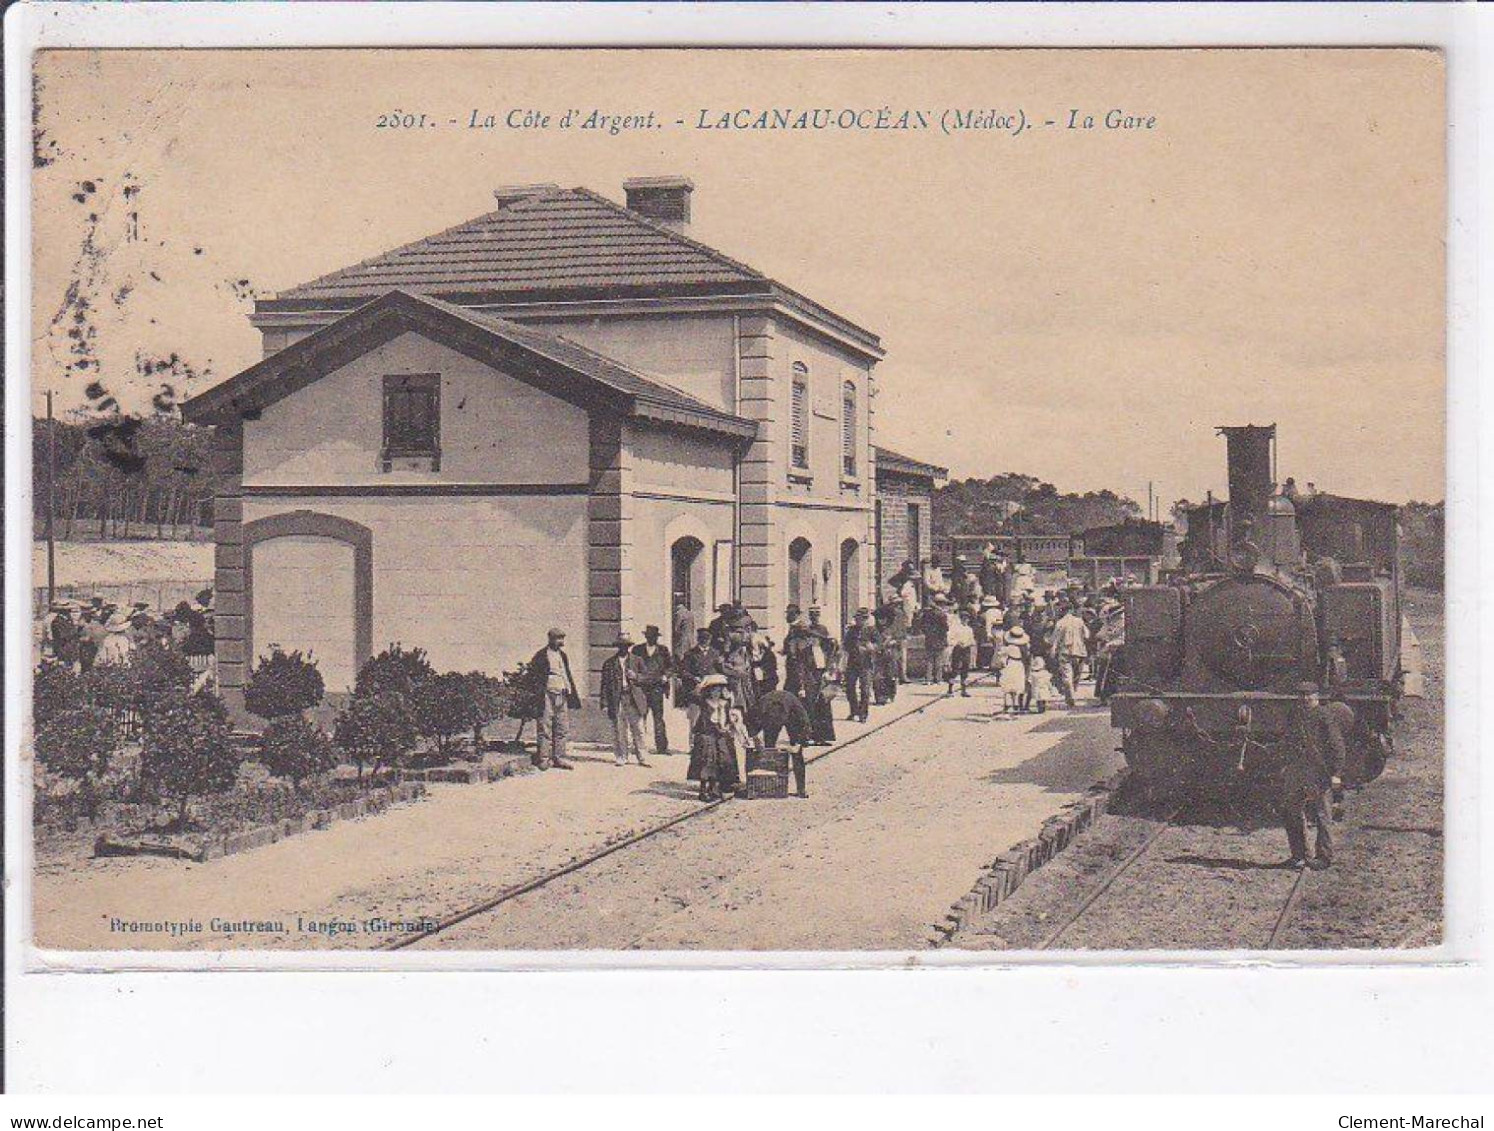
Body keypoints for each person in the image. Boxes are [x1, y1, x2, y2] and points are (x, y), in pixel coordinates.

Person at [1280, 692, 1336, 870]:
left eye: (1309, 697)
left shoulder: (1324, 715)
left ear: (1317, 698)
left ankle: (1324, 857)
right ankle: (1299, 855)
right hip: (1296, 769)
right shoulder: (1293, 716)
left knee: (1322, 813)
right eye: (1302, 697)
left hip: (1318, 770)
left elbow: (1336, 745)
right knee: (1291, 809)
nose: (1305, 700)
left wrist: (1336, 773)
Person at [522, 628, 581, 770]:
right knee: (545, 726)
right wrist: (538, 694)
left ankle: (559, 758)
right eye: (557, 638)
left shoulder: (563, 655)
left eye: (562, 638)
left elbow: (566, 674)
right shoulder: (541, 656)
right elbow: (533, 677)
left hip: (562, 694)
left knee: (562, 727)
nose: (560, 641)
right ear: (550, 639)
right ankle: (543, 758)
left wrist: (570, 691)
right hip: (546, 695)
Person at [687, 674, 741, 801]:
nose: (716, 693)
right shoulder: (704, 703)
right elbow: (691, 696)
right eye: (713, 689)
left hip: (721, 736)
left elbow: (727, 719)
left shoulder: (726, 703)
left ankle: (713, 788)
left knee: (721, 761)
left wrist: (729, 725)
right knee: (706, 762)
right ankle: (703, 790)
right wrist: (701, 686)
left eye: (719, 689)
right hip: (707, 735)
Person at [601, 632, 650, 767]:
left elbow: (647, 678)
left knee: (638, 729)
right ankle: (622, 756)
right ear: (618, 646)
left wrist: (636, 677)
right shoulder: (609, 663)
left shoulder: (637, 660)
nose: (624, 648)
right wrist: (604, 703)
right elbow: (604, 685)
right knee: (620, 729)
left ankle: (643, 757)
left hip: (634, 698)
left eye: (626, 645)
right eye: (621, 645)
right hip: (617, 699)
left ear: (629, 646)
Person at [753, 687, 811, 798]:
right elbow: (749, 721)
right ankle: (770, 786)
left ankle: (801, 789)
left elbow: (806, 725)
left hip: (792, 718)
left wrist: (799, 744)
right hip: (769, 717)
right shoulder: (761, 707)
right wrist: (755, 738)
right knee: (769, 749)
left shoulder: (795, 708)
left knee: (797, 753)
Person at [630, 625, 673, 758]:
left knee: (658, 717)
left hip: (656, 688)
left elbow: (670, 666)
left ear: (656, 637)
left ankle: (662, 747)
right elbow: (632, 665)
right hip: (641, 688)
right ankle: (638, 746)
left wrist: (666, 675)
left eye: (654, 637)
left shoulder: (663, 650)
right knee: (640, 717)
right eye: (649, 636)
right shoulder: (637, 650)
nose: (651, 639)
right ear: (646, 637)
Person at [677, 628, 721, 731]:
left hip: (712, 692)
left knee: (712, 719)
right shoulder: (690, 654)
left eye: (708, 639)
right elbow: (683, 671)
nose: (706, 641)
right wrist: (693, 678)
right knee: (695, 719)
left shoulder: (715, 653)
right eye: (703, 639)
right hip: (695, 691)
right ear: (699, 639)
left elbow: (721, 670)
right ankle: (693, 745)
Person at [842, 608, 879, 723]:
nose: (859, 621)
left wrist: (872, 647)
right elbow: (845, 646)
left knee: (865, 689)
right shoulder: (851, 631)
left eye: (862, 619)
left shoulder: (872, 631)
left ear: (866, 619)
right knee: (850, 688)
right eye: (857, 619)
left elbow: (879, 644)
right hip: (852, 662)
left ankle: (863, 713)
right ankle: (854, 711)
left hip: (866, 663)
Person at [1050, 603, 1090, 707]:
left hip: (1065, 651)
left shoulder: (1060, 623)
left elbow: (1055, 639)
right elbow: (1087, 635)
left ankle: (1070, 696)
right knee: (1076, 674)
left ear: (1062, 611)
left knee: (1067, 675)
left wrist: (1053, 650)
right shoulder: (1079, 621)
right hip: (1079, 651)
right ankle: (1072, 692)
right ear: (1071, 610)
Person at [919, 598, 950, 685]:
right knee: (938, 660)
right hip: (940, 638)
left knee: (929, 660)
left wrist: (927, 633)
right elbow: (945, 628)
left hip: (929, 638)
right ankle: (938, 678)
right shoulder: (942, 614)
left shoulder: (926, 614)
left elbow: (922, 625)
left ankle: (928, 679)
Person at [946, 608, 976, 697]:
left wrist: (969, 643)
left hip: (966, 649)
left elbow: (972, 640)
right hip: (958, 649)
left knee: (965, 669)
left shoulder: (969, 629)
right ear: (961, 618)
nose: (966, 620)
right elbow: (950, 638)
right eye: (964, 618)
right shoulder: (955, 628)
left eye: (967, 618)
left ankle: (964, 690)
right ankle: (950, 689)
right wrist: (957, 643)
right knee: (955, 669)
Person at [999, 643, 1028, 714]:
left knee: (1008, 688)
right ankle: (1016, 705)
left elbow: (1001, 657)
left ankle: (1008, 706)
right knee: (1016, 687)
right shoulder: (1023, 647)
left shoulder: (1007, 648)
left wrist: (1003, 663)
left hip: (1010, 665)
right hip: (1019, 666)